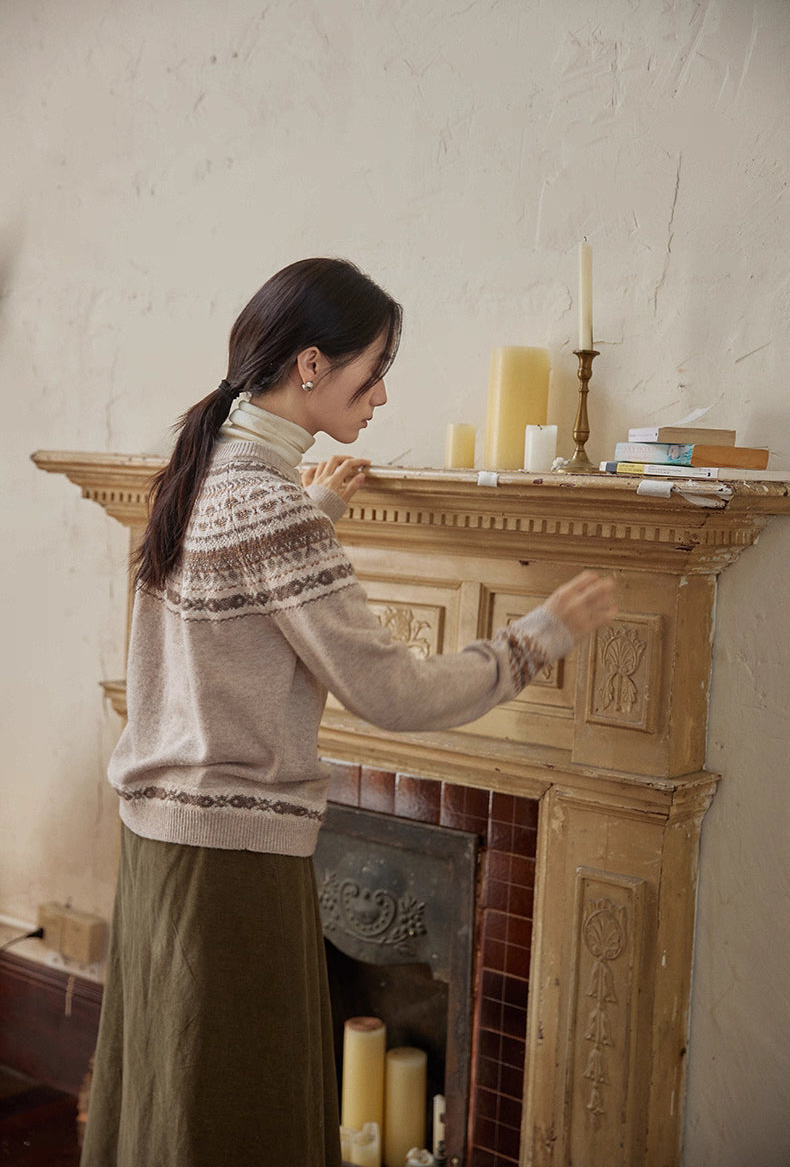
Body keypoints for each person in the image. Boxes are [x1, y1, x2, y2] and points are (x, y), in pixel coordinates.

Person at [80, 257, 617, 1167]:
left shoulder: (208, 468)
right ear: (311, 367)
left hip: (164, 850)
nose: (380, 398)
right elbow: (393, 693)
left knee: (171, 1109)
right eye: (373, 374)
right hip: (230, 871)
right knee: (234, 1121)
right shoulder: (265, 504)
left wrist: (318, 505)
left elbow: (234, 602)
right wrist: (537, 638)